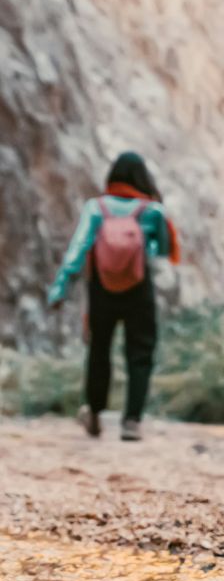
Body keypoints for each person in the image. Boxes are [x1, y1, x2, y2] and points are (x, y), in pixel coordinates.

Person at [48, 153, 179, 442]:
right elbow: (162, 250)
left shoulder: (96, 207)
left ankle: (94, 414)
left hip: (102, 288)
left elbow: (78, 248)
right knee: (140, 353)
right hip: (138, 288)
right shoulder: (152, 210)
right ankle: (131, 421)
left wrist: (60, 288)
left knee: (99, 350)